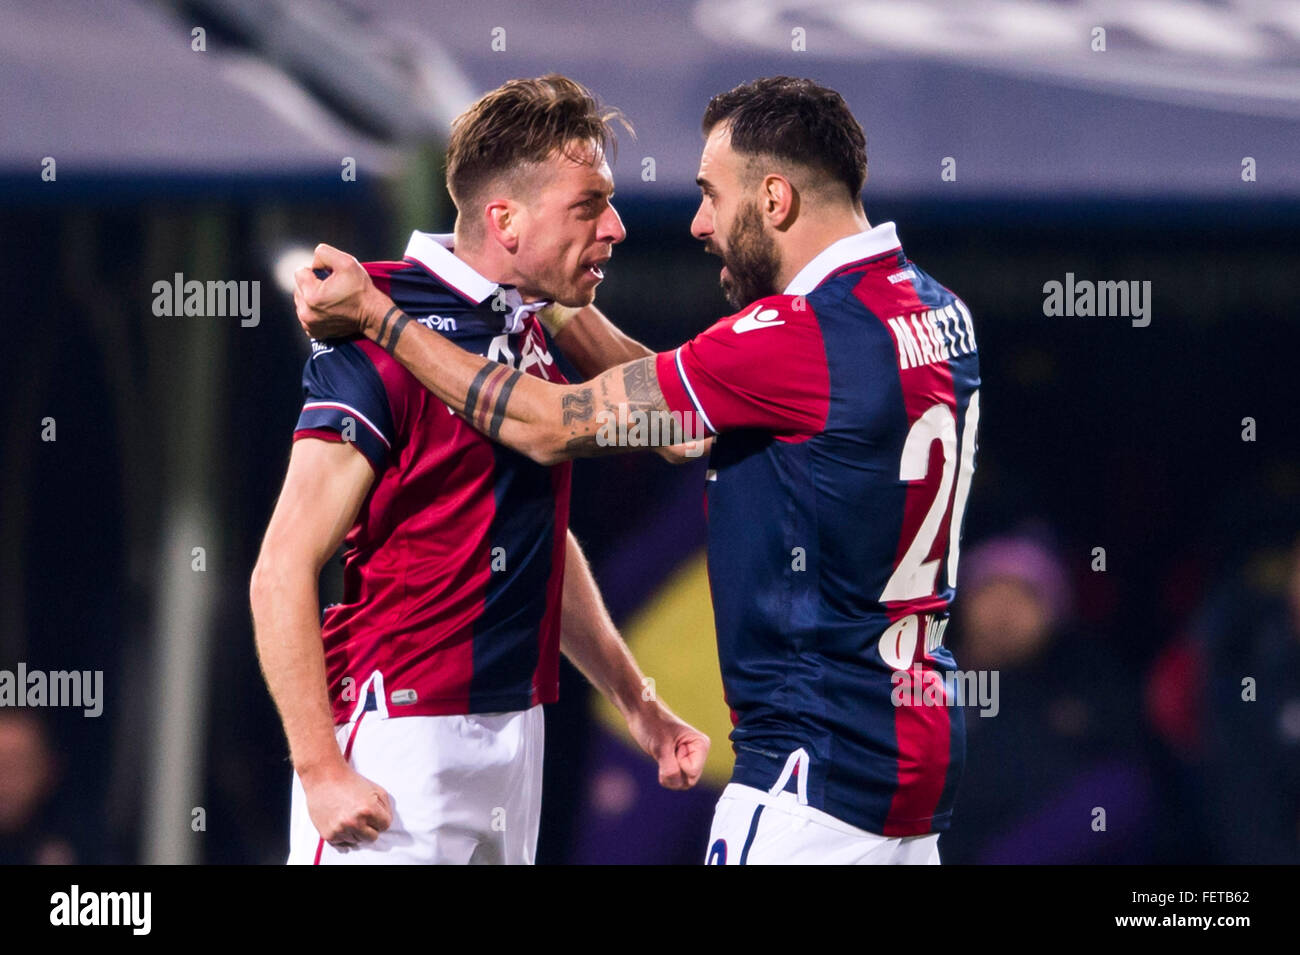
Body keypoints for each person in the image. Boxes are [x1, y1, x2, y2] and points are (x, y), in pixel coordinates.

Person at [294, 76, 981, 864]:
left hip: (810, 769)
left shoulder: (791, 336)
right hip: (912, 746)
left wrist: (384, 318)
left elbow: (551, 426)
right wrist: (546, 294)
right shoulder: (934, 310)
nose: (698, 223)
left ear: (775, 199)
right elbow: (683, 418)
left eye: (711, 196)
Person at [250, 75, 708, 866]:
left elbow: (539, 532)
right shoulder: (375, 316)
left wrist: (636, 699)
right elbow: (281, 564)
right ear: (504, 218)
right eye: (589, 204)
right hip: (400, 737)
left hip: (515, 732)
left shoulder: (534, 327)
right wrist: (320, 767)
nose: (617, 227)